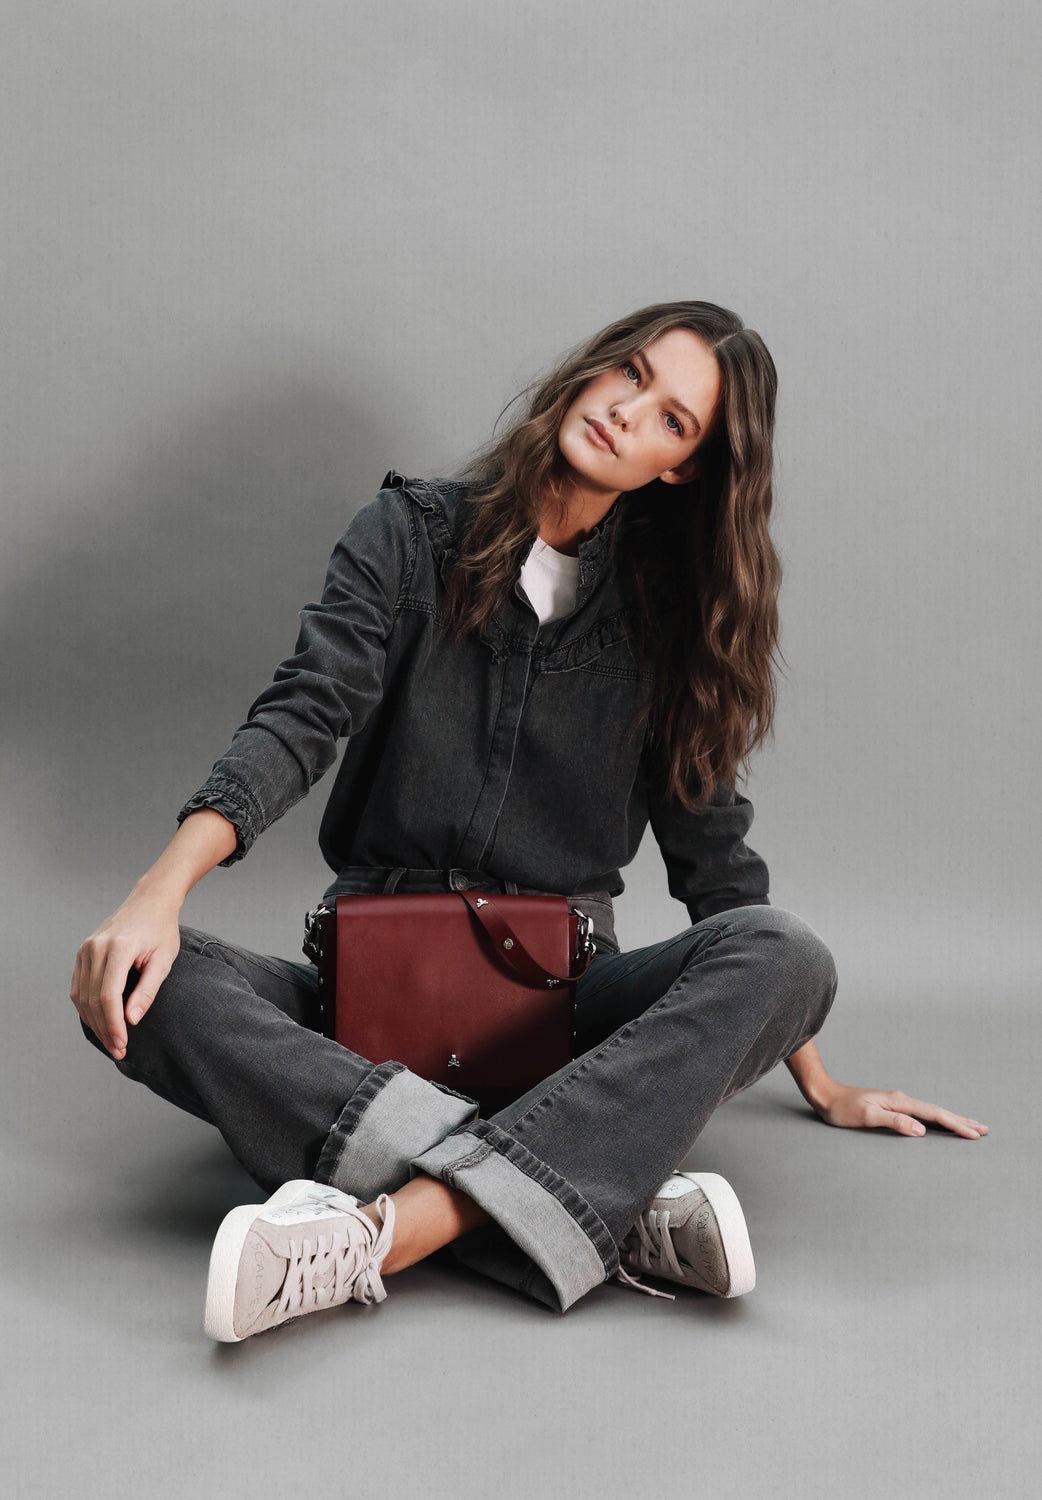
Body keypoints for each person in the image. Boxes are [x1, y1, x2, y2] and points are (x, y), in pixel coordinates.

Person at [71, 301, 986, 1342]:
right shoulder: (408, 537)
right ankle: (596, 1195)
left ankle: (393, 1231)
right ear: (595, 367)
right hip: (367, 998)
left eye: (672, 419)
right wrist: (155, 894)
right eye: (631, 373)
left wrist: (816, 1077)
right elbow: (302, 716)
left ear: (683, 467)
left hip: (566, 1006)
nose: (627, 411)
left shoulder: (668, 619)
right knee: (136, 979)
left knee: (790, 956)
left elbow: (717, 862)